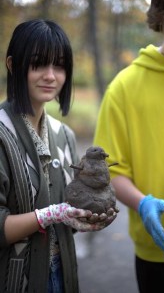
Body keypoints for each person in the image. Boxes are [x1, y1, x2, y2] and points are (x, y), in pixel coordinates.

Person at [0, 19, 117, 293]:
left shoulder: (64, 134)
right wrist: (50, 215)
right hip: (15, 280)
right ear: (12, 64)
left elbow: (70, 207)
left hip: (63, 276)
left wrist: (85, 217)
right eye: (38, 63)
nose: (51, 75)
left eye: (60, 65)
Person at [93, 0, 164, 292]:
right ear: (161, 16)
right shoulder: (124, 88)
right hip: (157, 254)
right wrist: (142, 204)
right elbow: (110, 171)